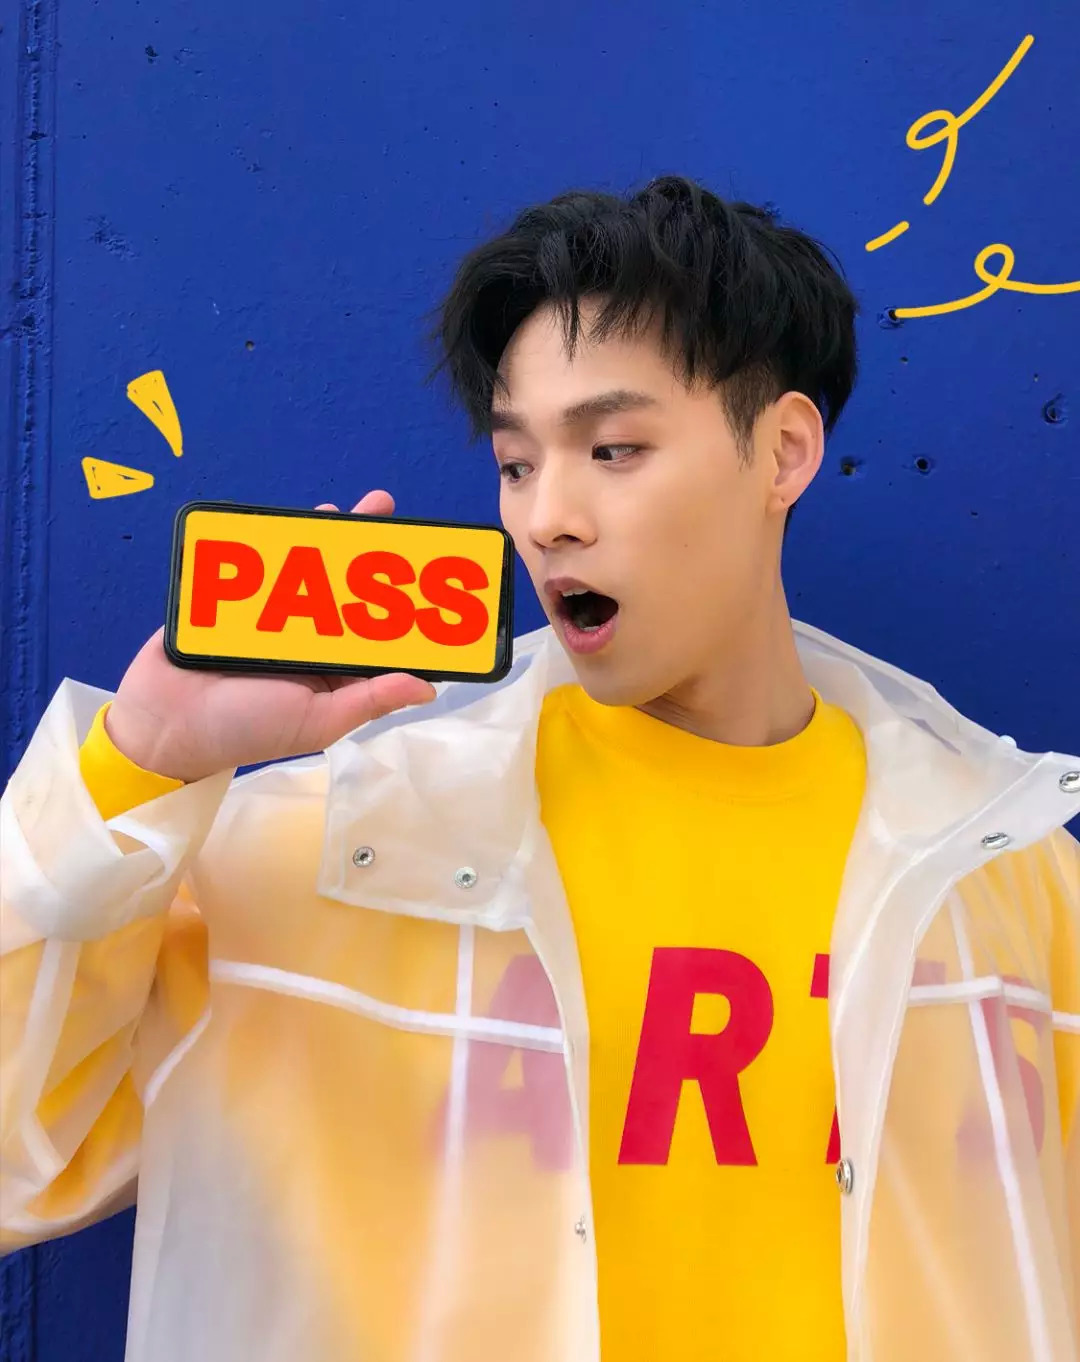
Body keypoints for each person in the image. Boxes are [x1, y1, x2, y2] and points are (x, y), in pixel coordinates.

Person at [1, 175, 1078, 1362]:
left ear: (782, 451)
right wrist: (140, 766)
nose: (547, 517)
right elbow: (16, 1162)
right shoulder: (345, 844)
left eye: (614, 449)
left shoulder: (1004, 868)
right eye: (517, 463)